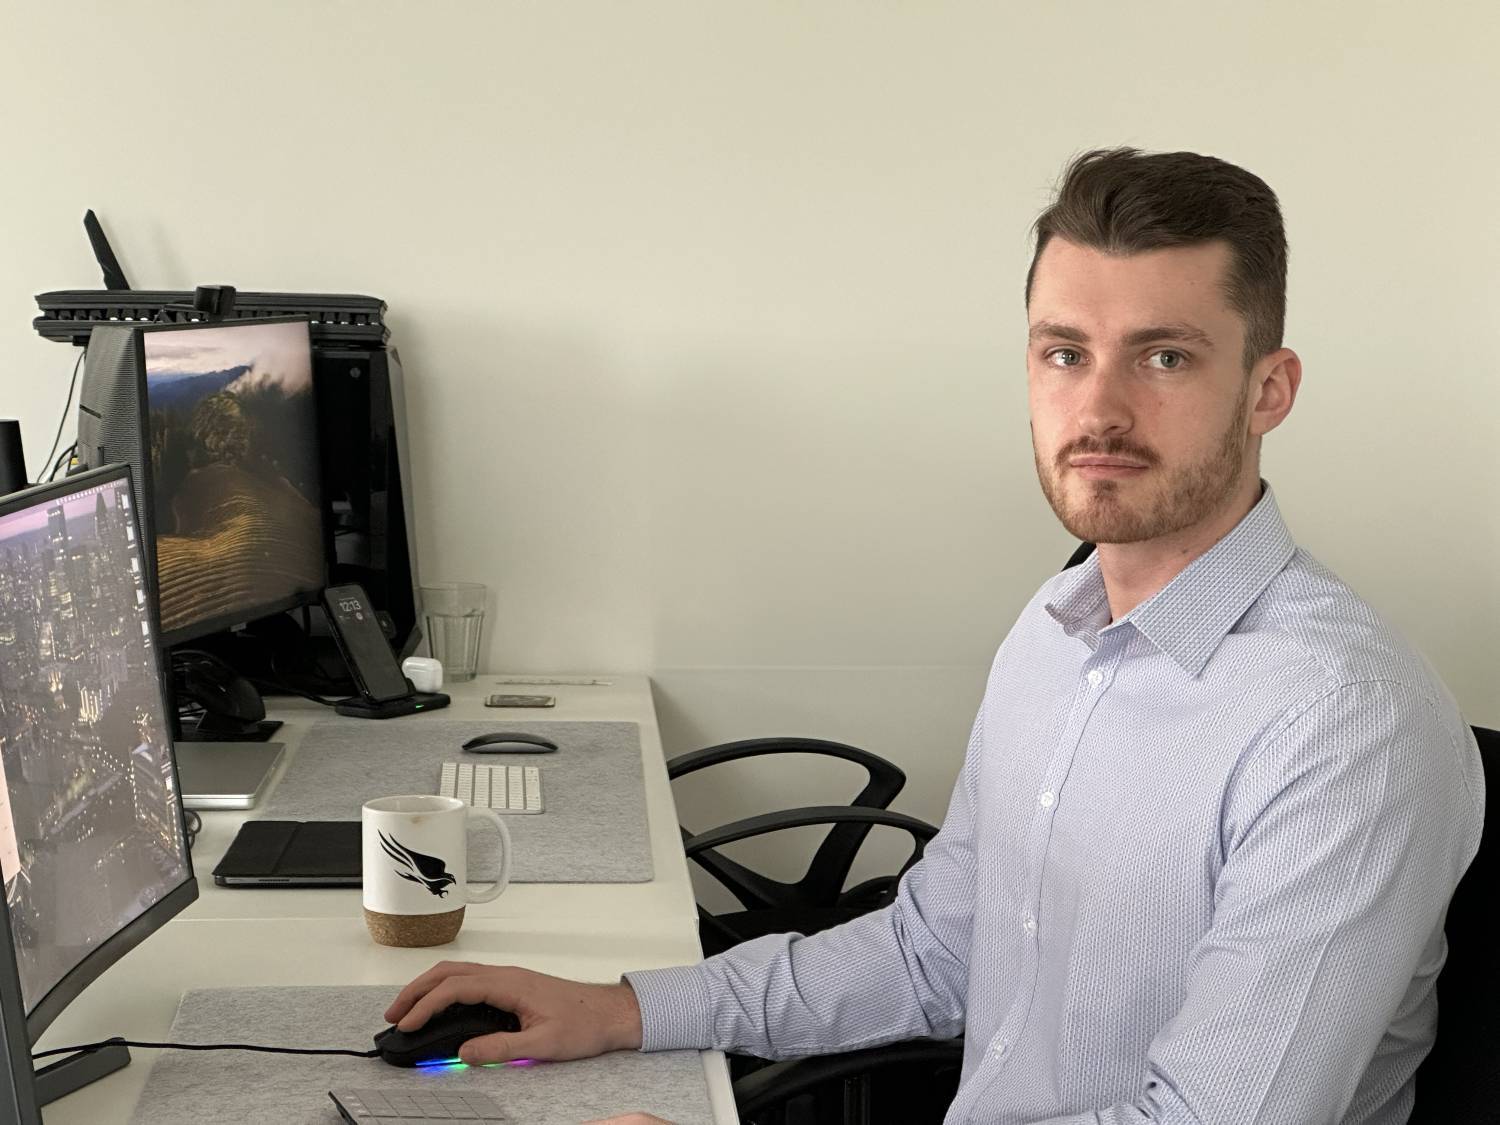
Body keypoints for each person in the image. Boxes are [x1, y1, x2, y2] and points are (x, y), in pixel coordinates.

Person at [385, 149, 1485, 1124]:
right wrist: (625, 1010)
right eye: (1064, 353)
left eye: (1164, 358)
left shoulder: (1347, 724)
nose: (1099, 410)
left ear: (1268, 390)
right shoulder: (1059, 628)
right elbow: (933, 951)